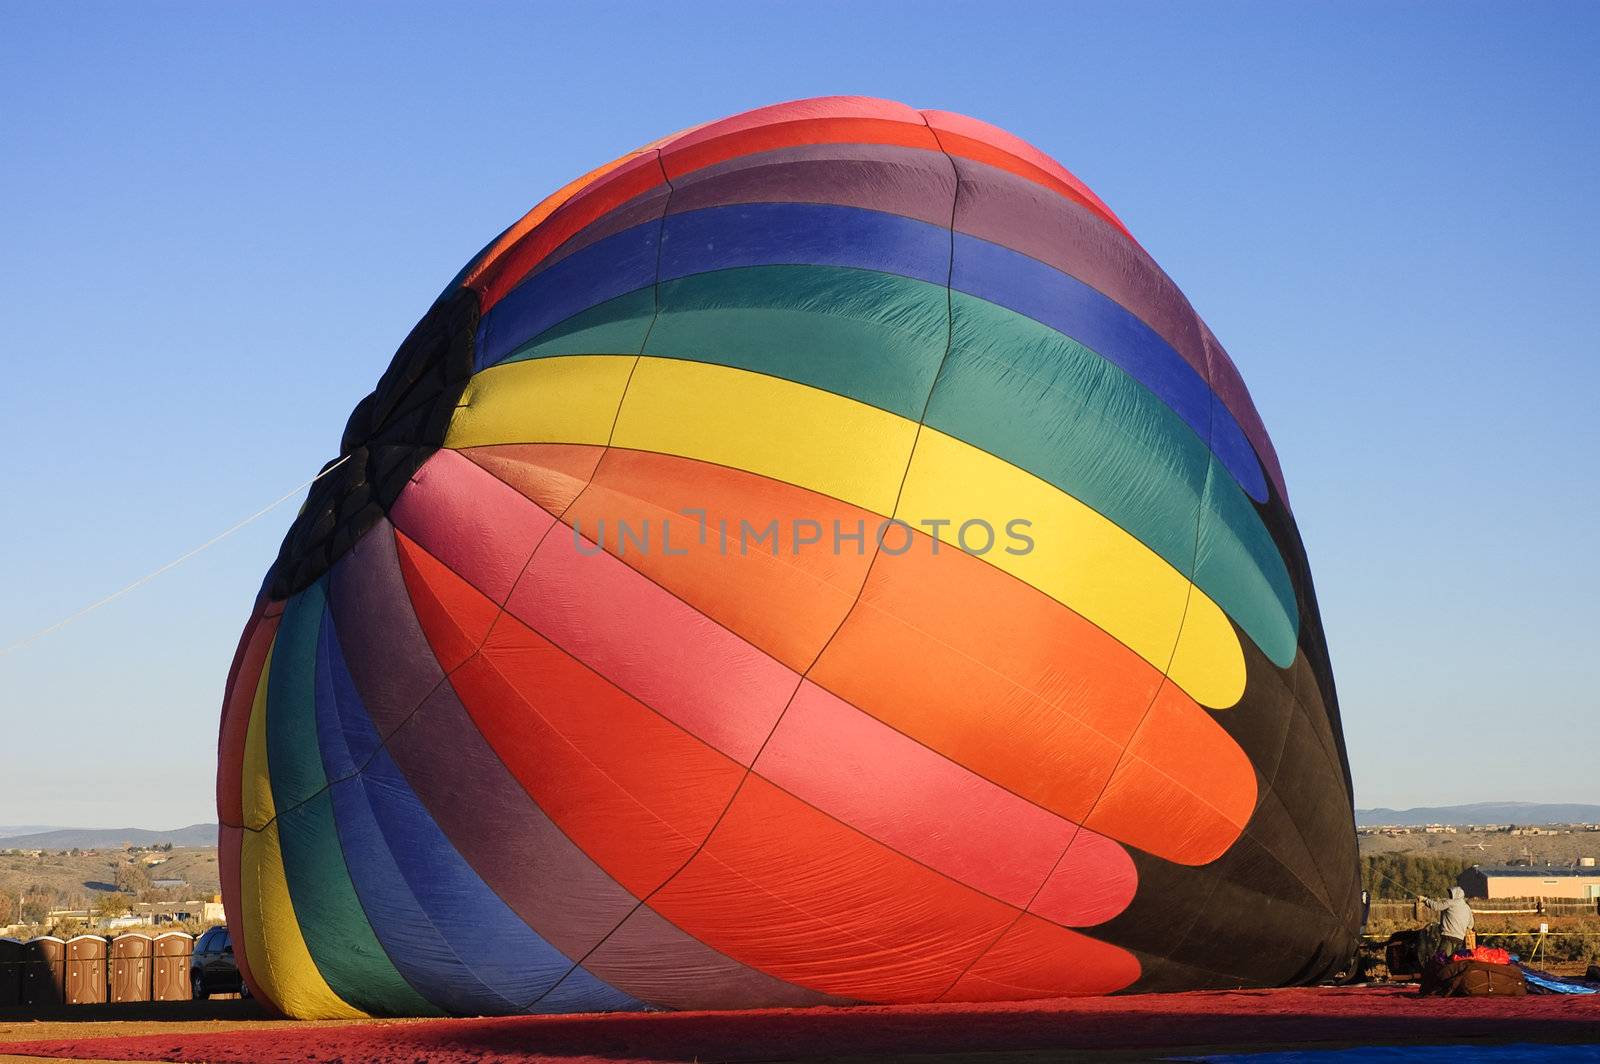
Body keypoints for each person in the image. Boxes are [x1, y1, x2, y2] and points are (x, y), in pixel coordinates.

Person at [1420, 886, 1475, 957]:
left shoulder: (1450, 902)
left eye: (1451, 894)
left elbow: (1436, 906)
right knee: (1454, 960)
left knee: (1442, 959)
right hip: (1460, 939)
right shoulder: (1467, 907)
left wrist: (1425, 900)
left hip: (1449, 937)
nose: (1450, 896)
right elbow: (1471, 925)